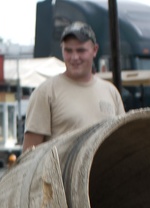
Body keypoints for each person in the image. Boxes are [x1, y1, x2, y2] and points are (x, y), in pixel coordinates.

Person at [21, 21, 125, 153]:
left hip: (105, 172)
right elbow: (29, 155)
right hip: (63, 174)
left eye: (81, 50)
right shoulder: (46, 92)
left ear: (95, 50)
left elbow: (122, 143)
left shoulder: (111, 92)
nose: (74, 57)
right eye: (68, 51)